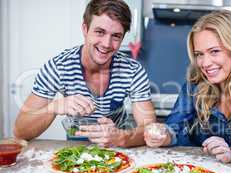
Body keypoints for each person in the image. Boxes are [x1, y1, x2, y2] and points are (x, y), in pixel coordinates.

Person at [144, 10, 231, 163]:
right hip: (201, 171)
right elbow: (175, 127)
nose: (205, 64)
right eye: (199, 54)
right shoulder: (195, 83)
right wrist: (162, 135)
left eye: (214, 51)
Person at [14, 0, 156, 147]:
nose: (106, 44)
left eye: (116, 36)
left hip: (118, 146)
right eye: (100, 32)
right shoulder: (59, 66)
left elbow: (151, 129)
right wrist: (56, 106)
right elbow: (20, 131)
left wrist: (122, 137)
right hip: (76, 147)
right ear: (85, 29)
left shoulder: (133, 70)